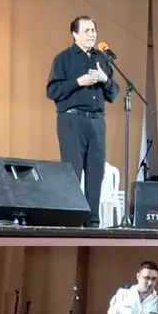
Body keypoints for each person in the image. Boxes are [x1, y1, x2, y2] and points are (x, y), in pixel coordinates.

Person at [46, 16, 119, 227]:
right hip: (72, 120)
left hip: (97, 121)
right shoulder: (64, 58)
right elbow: (52, 91)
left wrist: (105, 80)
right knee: (73, 172)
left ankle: (92, 221)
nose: (91, 34)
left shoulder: (102, 59)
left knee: (96, 172)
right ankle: (70, 220)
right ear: (75, 34)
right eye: (86, 31)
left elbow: (113, 94)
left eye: (93, 30)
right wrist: (79, 82)